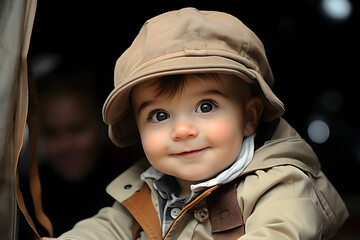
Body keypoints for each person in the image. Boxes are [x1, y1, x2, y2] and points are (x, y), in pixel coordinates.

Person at [48, 8, 348, 240]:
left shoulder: (280, 186)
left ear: (249, 117)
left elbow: (283, 229)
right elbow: (105, 230)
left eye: (206, 107)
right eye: (159, 115)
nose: (181, 131)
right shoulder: (147, 190)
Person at [19, 67, 133, 238]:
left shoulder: (129, 185)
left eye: (76, 129)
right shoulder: (24, 196)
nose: (65, 145)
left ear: (101, 125)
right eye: (51, 132)